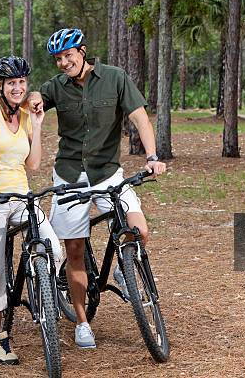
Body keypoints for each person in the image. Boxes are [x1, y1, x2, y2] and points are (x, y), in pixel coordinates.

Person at [29, 28, 166, 349]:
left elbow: (140, 119)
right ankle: (82, 322)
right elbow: (38, 97)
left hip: (108, 173)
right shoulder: (56, 87)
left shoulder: (115, 78)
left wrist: (152, 156)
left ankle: (124, 269)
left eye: (68, 56)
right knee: (74, 250)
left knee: (138, 229)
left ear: (83, 52)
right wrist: (34, 100)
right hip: (69, 174)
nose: (64, 63)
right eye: (58, 59)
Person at [0, 56, 64, 365]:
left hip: (22, 196)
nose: (18, 87)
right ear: (1, 86)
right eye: (12, 83)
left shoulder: (26, 115)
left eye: (22, 82)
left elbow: (33, 164)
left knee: (53, 248)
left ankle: (44, 291)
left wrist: (37, 127)